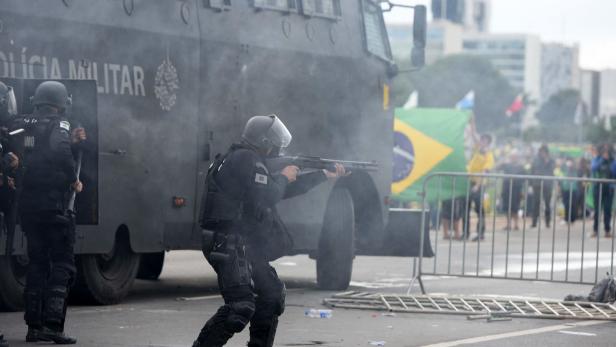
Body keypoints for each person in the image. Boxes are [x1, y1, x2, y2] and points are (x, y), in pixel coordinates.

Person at [194, 114, 347, 347]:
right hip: (227, 242)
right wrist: (285, 177)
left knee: (271, 295)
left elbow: (276, 191)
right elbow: (272, 193)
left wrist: (323, 175)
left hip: (238, 243)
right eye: (274, 143)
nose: (277, 149)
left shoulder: (242, 158)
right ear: (265, 142)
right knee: (240, 307)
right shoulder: (246, 159)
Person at [14, 81, 84, 344]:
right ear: (61, 102)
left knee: (37, 263)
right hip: (54, 206)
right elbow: (59, 150)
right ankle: (53, 326)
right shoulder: (60, 124)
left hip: (28, 207)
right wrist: (72, 180)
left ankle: (34, 327)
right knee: (63, 265)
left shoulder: (23, 122)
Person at [465, 133, 494, 241]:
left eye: (484, 141)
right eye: (481, 140)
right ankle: (465, 232)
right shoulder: (477, 149)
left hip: (479, 184)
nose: (481, 142)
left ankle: (480, 233)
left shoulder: (489, 155)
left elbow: (485, 171)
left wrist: (477, 185)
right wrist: (472, 125)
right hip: (470, 182)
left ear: (488, 143)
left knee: (479, 209)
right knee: (466, 208)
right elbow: (474, 137)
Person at [590, 144, 616, 238]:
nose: (605, 153)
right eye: (604, 151)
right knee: (597, 210)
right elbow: (593, 168)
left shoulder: (613, 161)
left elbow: (614, 172)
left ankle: (607, 230)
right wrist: (602, 159)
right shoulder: (597, 159)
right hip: (597, 188)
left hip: (609, 189)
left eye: (607, 151)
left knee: (607, 210)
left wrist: (610, 160)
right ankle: (595, 230)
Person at [499, 151, 526, 231]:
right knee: (507, 207)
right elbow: (497, 167)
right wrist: (503, 159)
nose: (513, 158)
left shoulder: (521, 167)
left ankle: (516, 224)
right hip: (507, 188)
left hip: (516, 189)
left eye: (515, 156)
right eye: (512, 156)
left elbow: (524, 178)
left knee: (515, 207)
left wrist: (523, 190)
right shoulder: (506, 165)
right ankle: (508, 224)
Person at [530, 144, 555, 228]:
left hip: (547, 185)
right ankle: (534, 222)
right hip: (537, 184)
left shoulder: (550, 160)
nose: (542, 153)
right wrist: (531, 183)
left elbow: (552, 170)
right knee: (536, 203)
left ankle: (547, 222)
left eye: (544, 151)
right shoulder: (536, 160)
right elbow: (532, 171)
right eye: (541, 151)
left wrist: (547, 162)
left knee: (547, 204)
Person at [559, 157, 580, 225]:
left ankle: (572, 219)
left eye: (570, 161)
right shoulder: (564, 168)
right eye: (568, 161)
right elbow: (561, 176)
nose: (569, 162)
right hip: (565, 189)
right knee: (566, 204)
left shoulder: (575, 169)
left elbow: (577, 178)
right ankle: (566, 219)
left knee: (572, 204)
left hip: (573, 189)